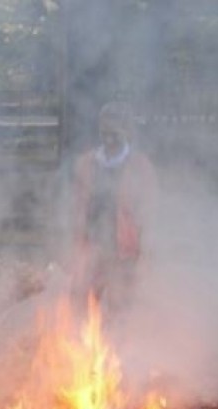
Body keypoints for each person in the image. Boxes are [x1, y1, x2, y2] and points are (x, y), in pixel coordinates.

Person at [70, 101, 157, 313]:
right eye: (105, 129)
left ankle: (121, 344)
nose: (109, 136)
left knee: (122, 304)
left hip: (124, 248)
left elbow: (149, 211)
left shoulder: (140, 166)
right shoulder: (86, 163)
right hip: (92, 245)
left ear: (126, 130)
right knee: (85, 299)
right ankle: (86, 342)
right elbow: (78, 204)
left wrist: (145, 251)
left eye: (115, 129)